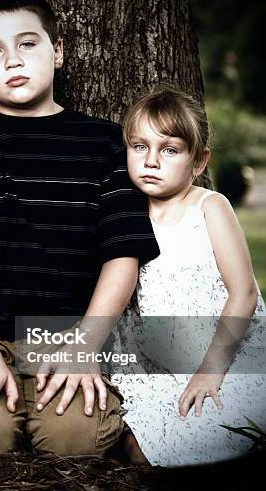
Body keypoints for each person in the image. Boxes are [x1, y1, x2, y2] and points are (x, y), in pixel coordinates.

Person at [0, 0, 160, 456]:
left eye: (28, 44)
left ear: (59, 51)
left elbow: (122, 256)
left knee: (77, 443)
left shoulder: (107, 144)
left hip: (68, 334)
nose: (13, 61)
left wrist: (86, 344)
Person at [113, 86, 266, 466]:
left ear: (199, 161)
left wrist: (210, 371)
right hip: (157, 364)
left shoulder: (209, 207)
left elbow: (244, 293)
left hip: (224, 356)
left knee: (216, 435)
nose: (151, 160)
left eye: (169, 150)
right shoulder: (124, 213)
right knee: (141, 448)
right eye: (139, 147)